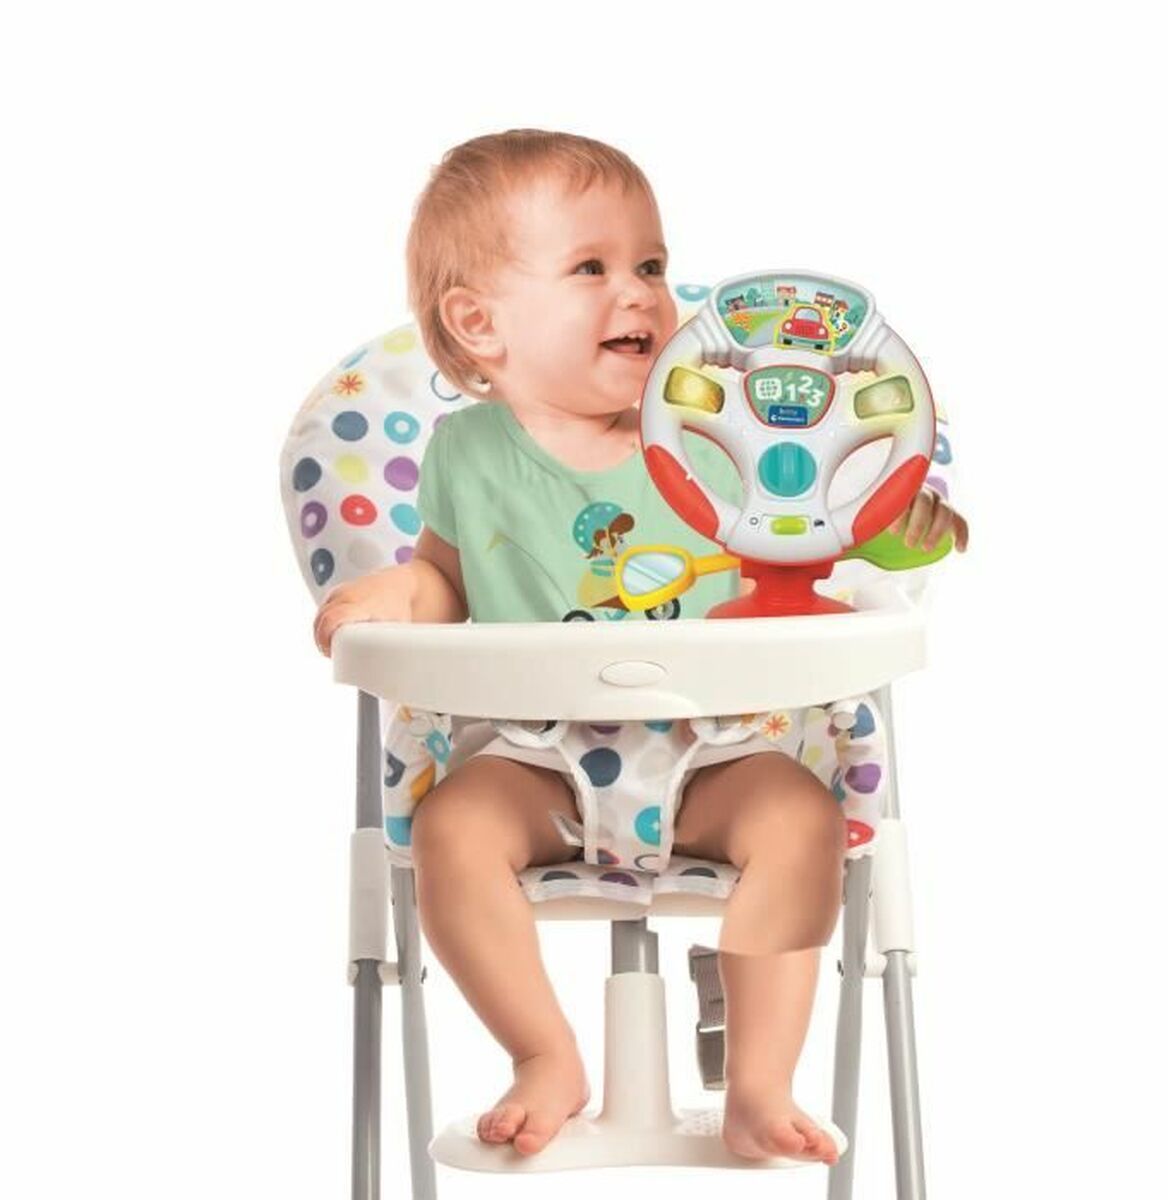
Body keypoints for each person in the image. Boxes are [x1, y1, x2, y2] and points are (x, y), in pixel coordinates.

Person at [314, 130, 968, 1164]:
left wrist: (897, 523)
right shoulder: (468, 453)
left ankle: (758, 1079)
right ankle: (544, 1053)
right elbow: (443, 579)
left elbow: (828, 530)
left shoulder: (723, 437)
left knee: (801, 822)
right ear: (480, 324)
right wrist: (393, 594)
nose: (644, 293)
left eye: (652, 264)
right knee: (452, 833)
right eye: (592, 267)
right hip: (537, 758)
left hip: (722, 748)